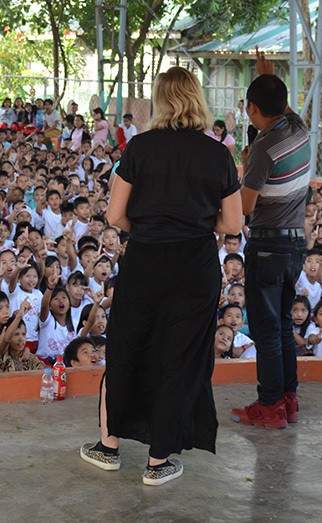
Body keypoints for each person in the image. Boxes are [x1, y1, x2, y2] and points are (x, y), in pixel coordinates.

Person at [80, 66, 242, 487]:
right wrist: (195, 224)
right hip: (195, 266)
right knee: (181, 357)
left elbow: (115, 215)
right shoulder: (218, 154)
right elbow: (233, 224)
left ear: (161, 100)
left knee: (128, 347)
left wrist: (151, 227)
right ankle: (157, 462)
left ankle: (108, 447)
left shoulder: (139, 147)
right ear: (197, 99)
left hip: (145, 261)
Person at [232, 52, 310, 430]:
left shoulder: (262, 150)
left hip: (267, 245)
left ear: (251, 109)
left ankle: (269, 405)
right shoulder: (299, 128)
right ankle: (288, 399)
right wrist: (270, 76)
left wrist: (245, 167)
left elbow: (246, 206)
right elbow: (282, 107)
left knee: (266, 329)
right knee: (281, 324)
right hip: (296, 243)